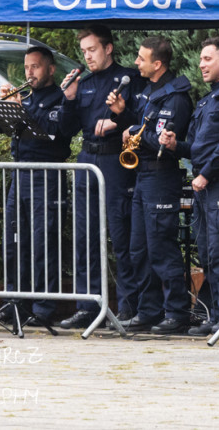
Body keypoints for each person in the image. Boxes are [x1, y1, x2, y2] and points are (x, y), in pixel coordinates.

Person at [161, 36, 219, 336]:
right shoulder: (206, 100)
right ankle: (217, 315)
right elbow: (198, 149)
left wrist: (206, 174)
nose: (201, 64)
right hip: (205, 185)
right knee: (208, 252)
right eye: (200, 59)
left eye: (207, 59)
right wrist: (177, 146)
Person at [56, 25, 145, 329]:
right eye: (84, 52)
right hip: (87, 159)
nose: (88, 56)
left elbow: (140, 122)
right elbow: (65, 131)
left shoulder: (129, 79)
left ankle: (127, 306)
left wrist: (118, 121)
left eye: (92, 50)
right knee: (85, 237)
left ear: (108, 48)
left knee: (121, 237)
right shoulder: (85, 83)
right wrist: (68, 99)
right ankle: (87, 305)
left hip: (115, 160)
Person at [108, 36, 194, 334]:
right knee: (139, 248)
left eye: (141, 58)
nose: (135, 62)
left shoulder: (177, 97)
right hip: (143, 175)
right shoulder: (148, 91)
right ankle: (149, 310)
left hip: (161, 176)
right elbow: (143, 126)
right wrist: (124, 115)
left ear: (157, 64)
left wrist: (131, 130)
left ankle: (177, 312)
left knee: (161, 247)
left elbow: (160, 141)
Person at [0, 46, 73, 327]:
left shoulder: (59, 100)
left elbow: (50, 134)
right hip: (20, 173)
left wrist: (21, 109)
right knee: (16, 241)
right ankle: (15, 302)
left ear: (50, 69)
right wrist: (3, 107)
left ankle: (43, 307)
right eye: (27, 67)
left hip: (46, 176)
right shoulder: (26, 97)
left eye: (36, 67)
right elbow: (1, 128)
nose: (29, 72)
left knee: (43, 243)